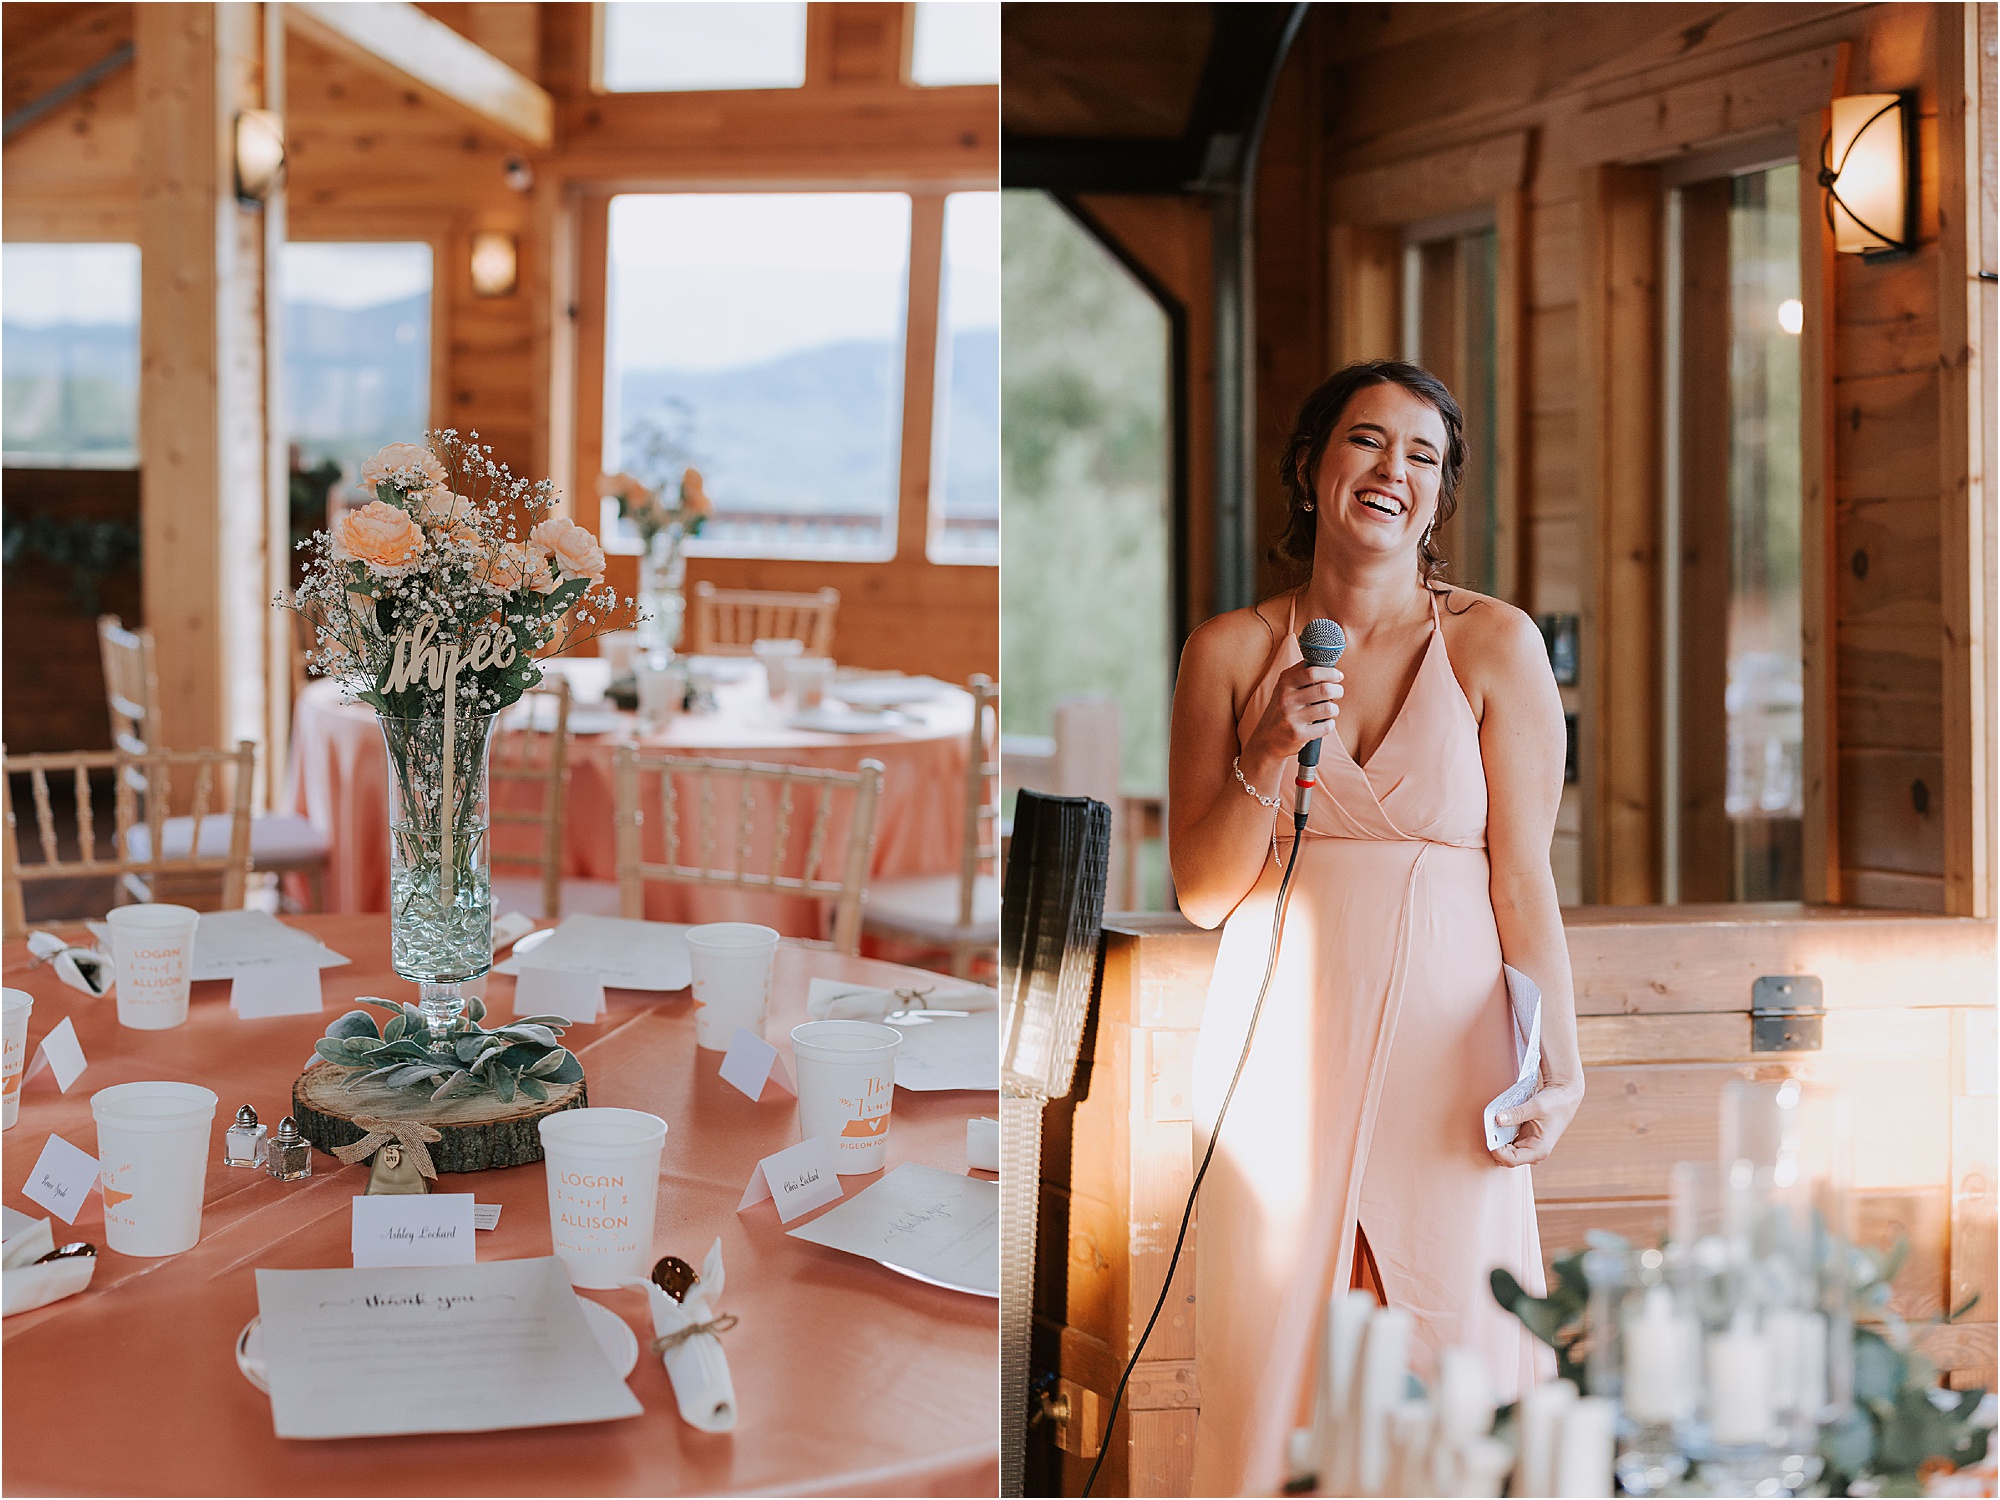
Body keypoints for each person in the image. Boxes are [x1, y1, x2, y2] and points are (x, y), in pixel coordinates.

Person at [1169, 361, 1582, 1495]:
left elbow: (1522, 879)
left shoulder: (1494, 646)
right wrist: (1261, 752)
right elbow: (1203, 895)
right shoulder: (1228, 652)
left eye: (1421, 456)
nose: (1390, 471)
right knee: (1285, 1347)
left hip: (1448, 1059)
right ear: (1310, 469)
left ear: (1439, 496)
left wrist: (1559, 1062)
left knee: (1443, 1334)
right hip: (1282, 1059)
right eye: (1365, 442)